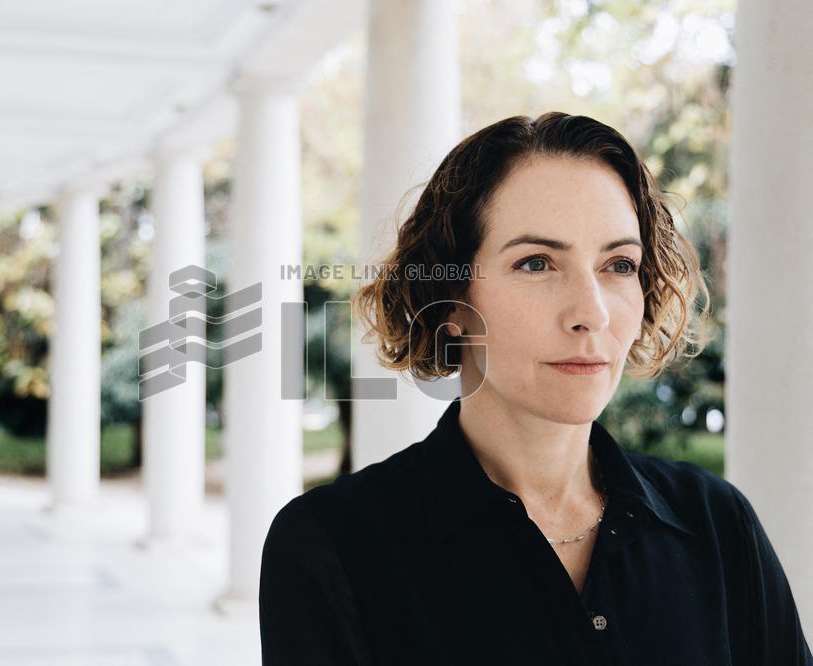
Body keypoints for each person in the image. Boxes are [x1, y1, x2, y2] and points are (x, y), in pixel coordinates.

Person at [258, 112, 813, 665]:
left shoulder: (716, 522)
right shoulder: (331, 547)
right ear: (449, 300)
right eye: (537, 263)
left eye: (619, 265)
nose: (591, 313)